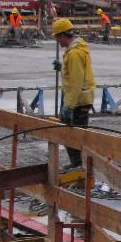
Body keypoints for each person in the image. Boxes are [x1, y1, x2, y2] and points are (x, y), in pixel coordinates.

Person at [51, 18, 96, 168]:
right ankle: (78, 164)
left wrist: (68, 106)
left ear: (64, 35)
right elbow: (74, 74)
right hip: (80, 99)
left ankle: (79, 165)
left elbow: (76, 82)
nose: (58, 41)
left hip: (78, 100)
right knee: (74, 134)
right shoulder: (73, 51)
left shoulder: (74, 54)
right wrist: (62, 68)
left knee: (72, 135)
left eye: (57, 37)